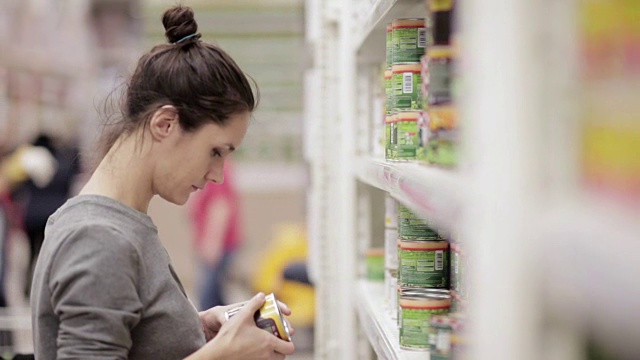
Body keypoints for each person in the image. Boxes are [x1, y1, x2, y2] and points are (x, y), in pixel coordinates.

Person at [29, 5, 296, 360]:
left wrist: (193, 327)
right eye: (215, 151)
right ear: (165, 123)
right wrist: (222, 355)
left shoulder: (116, 224)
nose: (217, 175)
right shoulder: (98, 238)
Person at [189, 159, 242, 310]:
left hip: (219, 246)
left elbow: (220, 207)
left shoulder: (216, 169)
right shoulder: (212, 167)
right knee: (217, 295)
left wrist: (212, 244)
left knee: (208, 298)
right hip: (217, 245)